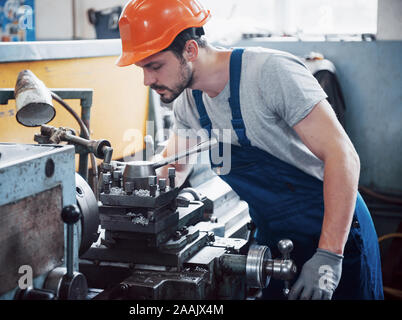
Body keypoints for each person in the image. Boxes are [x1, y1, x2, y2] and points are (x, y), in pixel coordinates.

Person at [115, 0, 384, 300]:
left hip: (334, 234)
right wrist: (128, 197)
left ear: (190, 50)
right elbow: (173, 168)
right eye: (143, 68)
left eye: (154, 66)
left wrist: (329, 256)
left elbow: (342, 155)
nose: (147, 80)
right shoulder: (190, 103)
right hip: (276, 239)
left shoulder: (270, 73)